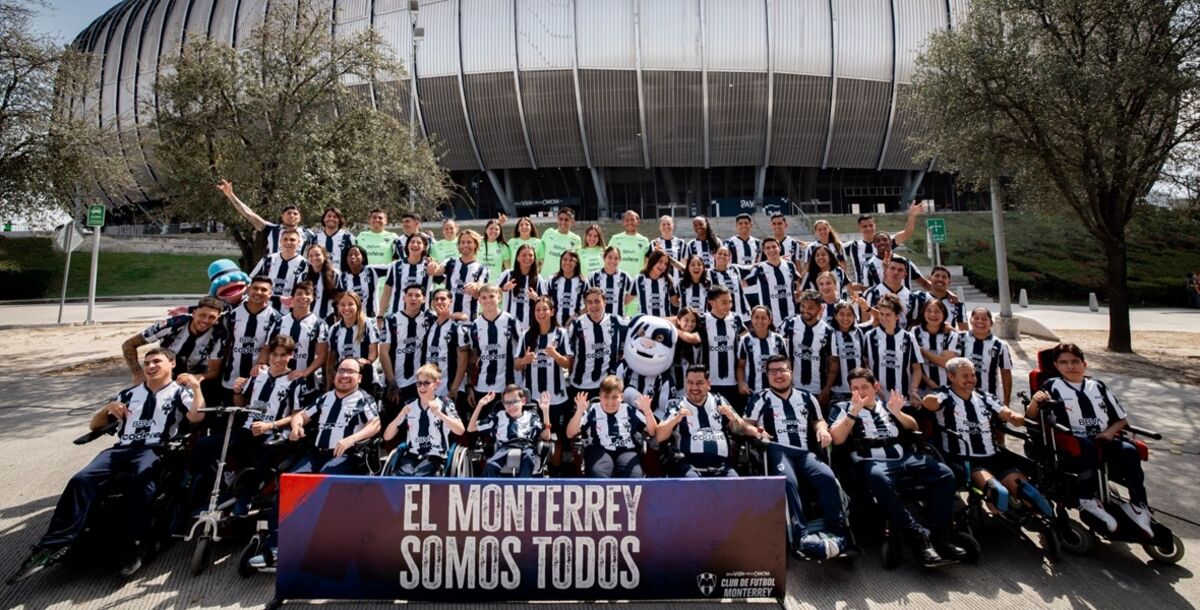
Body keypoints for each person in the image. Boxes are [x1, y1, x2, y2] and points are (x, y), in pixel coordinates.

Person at [12, 349, 206, 581]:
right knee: (80, 480)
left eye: (157, 361)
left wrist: (196, 387)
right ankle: (54, 544)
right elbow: (95, 426)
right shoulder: (128, 393)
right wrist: (106, 409)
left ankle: (137, 543)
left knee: (142, 482)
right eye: (147, 362)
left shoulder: (179, 392)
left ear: (172, 363)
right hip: (121, 449)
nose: (151, 366)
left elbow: (197, 417)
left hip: (154, 449)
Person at [247, 357, 381, 568]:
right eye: (341, 371)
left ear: (359, 377)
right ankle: (275, 547)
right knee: (289, 485)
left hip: (344, 456)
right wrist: (296, 426)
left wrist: (350, 439)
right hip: (316, 454)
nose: (344, 375)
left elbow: (375, 425)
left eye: (350, 372)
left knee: (323, 483)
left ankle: (315, 546)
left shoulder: (364, 399)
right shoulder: (325, 398)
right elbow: (300, 415)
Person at [828, 368, 964, 566]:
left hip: (903, 456)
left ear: (876, 387)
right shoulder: (842, 407)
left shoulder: (886, 405)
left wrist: (897, 412)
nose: (860, 392)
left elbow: (913, 427)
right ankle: (916, 535)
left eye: (865, 387)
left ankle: (938, 533)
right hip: (870, 460)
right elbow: (837, 439)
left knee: (945, 474)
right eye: (854, 388)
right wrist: (853, 414)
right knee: (878, 478)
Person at [1027, 343, 1154, 536]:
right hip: (1072, 439)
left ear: (1084, 364)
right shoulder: (1052, 385)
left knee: (1130, 450)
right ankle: (1086, 499)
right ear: (1057, 366)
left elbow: (1121, 419)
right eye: (1064, 362)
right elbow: (1030, 416)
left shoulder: (1098, 386)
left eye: (1075, 362)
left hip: (1103, 436)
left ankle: (1138, 506)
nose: (1070, 366)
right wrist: (1036, 401)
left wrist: (1110, 433)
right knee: (1086, 446)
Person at [740, 355, 847, 559]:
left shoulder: (807, 397)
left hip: (804, 451)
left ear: (791, 372)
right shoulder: (760, 398)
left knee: (827, 477)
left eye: (782, 370)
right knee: (788, 482)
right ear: (767, 375)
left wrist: (823, 430)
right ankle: (801, 536)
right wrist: (756, 432)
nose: (778, 375)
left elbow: (819, 420)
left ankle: (837, 532)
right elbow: (746, 425)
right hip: (776, 448)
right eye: (773, 371)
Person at [922, 358, 1051, 516]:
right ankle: (997, 510)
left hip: (994, 456)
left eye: (973, 375)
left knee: (1032, 495)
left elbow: (1009, 415)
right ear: (951, 376)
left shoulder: (984, 397)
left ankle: (1023, 513)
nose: (970, 379)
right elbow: (930, 404)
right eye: (965, 376)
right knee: (998, 494)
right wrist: (930, 399)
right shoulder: (944, 393)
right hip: (966, 459)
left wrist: (1030, 410)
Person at [656, 366, 748, 478]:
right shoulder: (676, 404)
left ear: (708, 384)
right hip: (689, 465)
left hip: (722, 465)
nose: (694, 387)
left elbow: (740, 429)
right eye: (690, 382)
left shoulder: (719, 400)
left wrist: (733, 419)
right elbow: (659, 436)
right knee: (693, 483)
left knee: (735, 483)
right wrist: (675, 419)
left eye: (699, 383)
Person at [517, 297, 574, 472]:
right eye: (537, 310)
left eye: (544, 309)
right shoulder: (526, 335)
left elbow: (569, 364)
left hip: (556, 398)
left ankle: (556, 473)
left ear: (552, 311)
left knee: (555, 438)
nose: (541, 313)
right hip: (533, 397)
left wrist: (556, 355)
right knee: (533, 437)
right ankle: (535, 472)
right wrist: (525, 360)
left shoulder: (561, 333)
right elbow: (516, 364)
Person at [382, 364, 465, 476]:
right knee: (400, 477)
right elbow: (387, 437)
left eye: (426, 383)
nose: (422, 387)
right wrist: (400, 415)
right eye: (419, 383)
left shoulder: (445, 403)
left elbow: (460, 430)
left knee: (420, 476)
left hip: (436, 455)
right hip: (412, 454)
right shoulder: (409, 405)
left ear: (436, 384)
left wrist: (439, 414)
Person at [566, 377, 657, 478]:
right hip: (598, 449)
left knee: (634, 477)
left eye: (614, 397)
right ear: (600, 396)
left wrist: (647, 411)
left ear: (621, 397)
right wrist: (579, 411)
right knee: (598, 475)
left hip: (626, 450)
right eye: (606, 397)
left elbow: (652, 431)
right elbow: (570, 433)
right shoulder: (591, 410)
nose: (610, 402)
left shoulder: (629, 410)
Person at [123, 296, 225, 385]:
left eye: (212, 317)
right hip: (164, 373)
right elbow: (128, 344)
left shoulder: (218, 335)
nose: (205, 320)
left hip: (195, 377)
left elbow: (214, 372)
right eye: (202, 315)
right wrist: (138, 374)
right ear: (194, 313)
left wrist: (194, 378)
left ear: (217, 319)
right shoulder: (174, 324)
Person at [683, 287, 746, 412]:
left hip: (732, 384)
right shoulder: (702, 320)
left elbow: (746, 338)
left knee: (733, 423)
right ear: (712, 303)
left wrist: (741, 381)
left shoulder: (736, 319)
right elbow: (678, 319)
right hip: (709, 382)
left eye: (730, 302)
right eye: (724, 302)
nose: (728, 305)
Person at [467, 385, 553, 477]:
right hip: (505, 446)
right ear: (503, 404)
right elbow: (471, 428)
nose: (511, 406)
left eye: (515, 402)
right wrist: (480, 404)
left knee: (528, 459)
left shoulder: (531, 417)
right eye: (507, 403)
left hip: (526, 446)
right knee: (490, 465)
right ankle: (495, 488)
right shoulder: (498, 416)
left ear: (523, 401)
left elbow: (546, 437)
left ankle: (522, 487)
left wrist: (545, 411)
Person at [221, 276, 281, 406]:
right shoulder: (233, 315)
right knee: (227, 418)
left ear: (270, 294)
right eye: (255, 288)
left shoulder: (276, 318)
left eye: (263, 290)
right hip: (231, 377)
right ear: (248, 290)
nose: (259, 292)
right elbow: (226, 345)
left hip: (259, 377)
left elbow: (272, 347)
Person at [381, 285, 437, 421]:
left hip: (418, 384)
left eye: (417, 295)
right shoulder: (391, 320)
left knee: (417, 422)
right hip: (395, 384)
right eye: (410, 295)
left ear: (424, 299)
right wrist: (392, 382)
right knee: (392, 424)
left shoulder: (430, 319)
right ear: (403, 297)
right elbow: (383, 353)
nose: (413, 298)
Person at [216, 179, 313, 255]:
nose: (292, 216)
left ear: (300, 217)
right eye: (288, 213)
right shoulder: (272, 229)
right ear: (282, 216)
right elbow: (249, 214)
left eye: (295, 214)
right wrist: (231, 195)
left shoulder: (308, 234)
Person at [464, 284, 524, 405]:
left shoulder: (511, 321)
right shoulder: (475, 325)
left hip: (509, 386)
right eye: (484, 297)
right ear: (479, 300)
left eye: (492, 296)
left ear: (499, 298)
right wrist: (470, 385)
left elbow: (522, 351)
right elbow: (474, 356)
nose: (488, 300)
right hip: (482, 386)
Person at [862, 294, 924, 406]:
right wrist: (872, 381)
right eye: (881, 314)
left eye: (888, 315)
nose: (884, 318)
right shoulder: (869, 336)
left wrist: (913, 390)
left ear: (897, 316)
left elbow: (917, 368)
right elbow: (865, 363)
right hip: (877, 400)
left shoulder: (908, 338)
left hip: (902, 400)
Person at [267, 282, 329, 389]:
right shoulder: (279, 322)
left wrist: (305, 372)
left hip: (307, 384)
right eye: (299, 293)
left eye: (307, 294)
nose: (303, 296)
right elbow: (267, 348)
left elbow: (322, 355)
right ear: (292, 298)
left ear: (313, 298)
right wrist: (262, 364)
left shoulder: (319, 324)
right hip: (278, 381)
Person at [568, 288, 626, 400]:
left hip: (606, 386)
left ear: (604, 302)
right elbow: (569, 354)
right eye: (589, 302)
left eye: (597, 301)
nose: (593, 305)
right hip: (580, 385)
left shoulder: (616, 321)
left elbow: (637, 327)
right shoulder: (576, 324)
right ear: (585, 305)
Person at [782, 291, 838, 406]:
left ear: (820, 308)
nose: (805, 310)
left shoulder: (828, 331)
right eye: (803, 306)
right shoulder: (789, 323)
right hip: (792, 387)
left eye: (810, 307)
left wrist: (826, 390)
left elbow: (833, 363)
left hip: (818, 389)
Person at [844, 204, 922, 285]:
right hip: (863, 291)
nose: (868, 228)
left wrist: (912, 215)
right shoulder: (852, 246)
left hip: (887, 288)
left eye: (871, 225)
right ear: (859, 228)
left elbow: (907, 233)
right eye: (865, 226)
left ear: (875, 226)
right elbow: (833, 250)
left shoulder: (886, 242)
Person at [422, 288, 470, 405]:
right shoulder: (428, 325)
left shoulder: (458, 327)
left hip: (451, 389)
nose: (439, 302)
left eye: (443, 299)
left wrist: (454, 388)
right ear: (432, 302)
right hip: (429, 389)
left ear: (451, 301)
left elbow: (463, 360)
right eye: (436, 299)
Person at [325, 291, 380, 391]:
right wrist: (329, 384)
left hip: (364, 377)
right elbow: (331, 360)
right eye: (342, 305)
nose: (346, 308)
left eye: (350, 304)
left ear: (358, 306)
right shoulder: (334, 329)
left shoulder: (368, 325)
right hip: (343, 379)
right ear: (338, 307)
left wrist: (368, 361)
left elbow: (374, 351)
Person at [959, 307, 1013, 406]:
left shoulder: (1000, 345)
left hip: (990, 398)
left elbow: (1006, 373)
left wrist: (1007, 401)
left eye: (984, 319)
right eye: (976, 318)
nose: (980, 321)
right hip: (962, 396)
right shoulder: (960, 339)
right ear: (970, 320)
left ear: (991, 323)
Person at [746, 237, 802, 329]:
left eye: (774, 247)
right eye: (768, 248)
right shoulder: (759, 268)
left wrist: (798, 293)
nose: (771, 250)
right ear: (764, 251)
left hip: (791, 317)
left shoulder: (789, 265)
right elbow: (744, 283)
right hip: (769, 321)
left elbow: (800, 281)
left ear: (779, 248)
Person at [434, 229, 489, 320]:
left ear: (475, 245)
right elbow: (436, 272)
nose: (465, 245)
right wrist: (432, 265)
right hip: (447, 318)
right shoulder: (450, 262)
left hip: (468, 320)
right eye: (462, 242)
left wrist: (476, 286)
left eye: (469, 242)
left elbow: (479, 293)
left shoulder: (482, 269)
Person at [736, 305, 789, 397]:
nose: (760, 321)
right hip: (753, 391)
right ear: (751, 319)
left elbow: (786, 363)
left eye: (764, 318)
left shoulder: (778, 339)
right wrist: (741, 383)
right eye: (756, 317)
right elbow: (741, 366)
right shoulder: (745, 340)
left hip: (776, 391)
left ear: (770, 320)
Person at [249, 227, 307, 310]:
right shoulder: (268, 259)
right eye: (285, 239)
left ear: (298, 242)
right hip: (265, 307)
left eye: (292, 240)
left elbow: (305, 288)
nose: (288, 242)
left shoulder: (304, 263)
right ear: (280, 241)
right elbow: (252, 279)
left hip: (290, 310)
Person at [379, 233, 435, 317]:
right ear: (407, 245)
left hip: (422, 318)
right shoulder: (395, 265)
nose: (415, 244)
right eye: (412, 242)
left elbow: (447, 280)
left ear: (424, 247)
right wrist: (380, 315)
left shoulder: (429, 266)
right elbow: (387, 292)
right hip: (396, 316)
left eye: (419, 243)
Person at [912, 299, 960, 395]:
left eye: (937, 311)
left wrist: (920, 349)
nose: (933, 314)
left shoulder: (951, 334)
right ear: (923, 313)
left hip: (947, 389)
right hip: (921, 389)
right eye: (929, 311)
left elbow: (945, 362)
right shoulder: (915, 332)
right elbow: (913, 365)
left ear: (944, 313)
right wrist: (929, 382)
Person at [497, 243, 544, 332]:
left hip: (530, 326)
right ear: (518, 258)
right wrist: (504, 288)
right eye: (524, 255)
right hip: (507, 324)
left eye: (530, 255)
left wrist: (536, 298)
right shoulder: (507, 274)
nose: (527, 258)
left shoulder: (538, 278)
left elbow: (545, 300)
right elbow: (493, 292)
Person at [830, 301, 868, 403]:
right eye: (841, 314)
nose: (845, 318)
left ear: (854, 316)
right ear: (835, 316)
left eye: (849, 315)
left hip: (858, 389)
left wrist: (866, 308)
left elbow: (864, 360)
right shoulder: (830, 333)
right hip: (837, 390)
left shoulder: (858, 332)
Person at [863, 232, 929, 291]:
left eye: (885, 240)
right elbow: (867, 290)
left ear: (891, 242)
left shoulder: (904, 261)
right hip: (882, 303)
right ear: (874, 245)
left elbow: (924, 283)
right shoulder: (869, 265)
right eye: (878, 241)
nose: (882, 242)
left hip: (904, 302)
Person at [863, 255, 916, 328]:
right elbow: (865, 321)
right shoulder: (871, 293)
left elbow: (911, 323)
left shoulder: (911, 296)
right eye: (892, 268)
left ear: (905, 275)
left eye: (900, 270)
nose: (896, 272)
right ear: (886, 270)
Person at [910, 266, 967, 330]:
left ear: (949, 282)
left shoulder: (957, 304)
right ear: (930, 279)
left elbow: (964, 331)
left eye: (944, 277)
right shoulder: (918, 298)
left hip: (947, 339)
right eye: (937, 276)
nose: (940, 279)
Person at [588, 246, 636, 317]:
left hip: (618, 320)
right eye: (610, 257)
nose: (613, 261)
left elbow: (634, 290)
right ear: (604, 258)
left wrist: (623, 301)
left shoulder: (625, 276)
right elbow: (586, 297)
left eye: (616, 258)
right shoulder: (594, 276)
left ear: (619, 260)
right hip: (598, 320)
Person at [337, 244, 380, 320]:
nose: (353, 257)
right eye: (350, 255)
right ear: (346, 259)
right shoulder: (341, 277)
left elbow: (393, 267)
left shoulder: (372, 270)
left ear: (363, 257)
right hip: (350, 321)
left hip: (372, 319)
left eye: (357, 254)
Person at [633, 249, 678, 318]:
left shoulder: (668, 279)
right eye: (660, 261)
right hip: (645, 322)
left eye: (665, 264)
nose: (663, 265)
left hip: (664, 322)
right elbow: (625, 300)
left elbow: (675, 302)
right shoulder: (639, 279)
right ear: (653, 260)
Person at [546, 250, 586, 325]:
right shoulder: (552, 280)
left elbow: (588, 306)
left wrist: (574, 316)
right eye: (565, 259)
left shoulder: (584, 282)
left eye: (571, 260)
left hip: (577, 325)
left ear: (576, 263)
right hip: (555, 324)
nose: (567, 262)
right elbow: (546, 302)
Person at [300, 244, 339, 320]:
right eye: (311, 256)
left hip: (328, 318)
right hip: (306, 318)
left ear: (324, 256)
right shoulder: (303, 276)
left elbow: (339, 297)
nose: (314, 258)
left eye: (317, 255)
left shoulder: (334, 274)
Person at [608, 210, 651, 279]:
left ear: (638, 222)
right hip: (618, 280)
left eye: (632, 220)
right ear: (623, 222)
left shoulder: (644, 241)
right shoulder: (615, 239)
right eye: (627, 220)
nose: (629, 222)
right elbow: (607, 259)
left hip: (637, 281)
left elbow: (648, 262)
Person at [540, 208, 582, 277]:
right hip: (546, 278)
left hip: (564, 280)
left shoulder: (576, 239)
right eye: (561, 219)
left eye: (566, 220)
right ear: (557, 220)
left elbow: (577, 262)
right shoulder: (548, 233)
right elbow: (539, 256)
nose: (563, 222)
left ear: (572, 222)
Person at [651, 215, 687, 281]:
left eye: (668, 224)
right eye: (663, 224)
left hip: (678, 281)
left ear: (673, 225)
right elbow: (651, 265)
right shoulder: (654, 243)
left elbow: (684, 265)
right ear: (660, 227)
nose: (666, 226)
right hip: (660, 281)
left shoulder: (681, 243)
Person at [479, 219, 510, 284]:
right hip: (477, 283)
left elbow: (508, 269)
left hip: (495, 284)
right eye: (491, 228)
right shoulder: (478, 242)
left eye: (497, 229)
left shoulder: (504, 247)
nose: (494, 231)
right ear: (486, 230)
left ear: (500, 231)